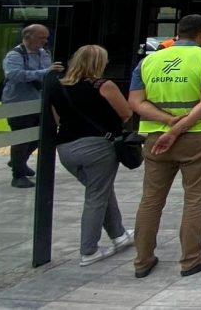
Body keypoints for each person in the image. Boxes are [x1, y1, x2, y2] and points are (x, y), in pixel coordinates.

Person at [129, 13, 201, 278]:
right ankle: (191, 259)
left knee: (150, 200)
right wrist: (177, 129)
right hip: (197, 138)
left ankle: (142, 260)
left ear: (178, 32)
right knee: (195, 198)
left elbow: (136, 102)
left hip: (154, 139)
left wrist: (167, 122)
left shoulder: (149, 60)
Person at [45, 45, 134, 266]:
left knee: (100, 191)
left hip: (66, 148)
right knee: (96, 196)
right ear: (99, 63)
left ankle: (119, 235)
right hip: (98, 147)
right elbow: (126, 113)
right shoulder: (103, 85)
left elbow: (56, 120)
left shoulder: (57, 87)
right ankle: (89, 250)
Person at [1, 24, 62, 188]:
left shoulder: (44, 53)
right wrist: (45, 72)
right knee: (21, 138)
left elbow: (47, 75)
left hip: (40, 102)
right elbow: (15, 75)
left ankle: (18, 161)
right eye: (41, 37)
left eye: (46, 37)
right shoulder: (14, 55)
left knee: (42, 135)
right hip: (19, 103)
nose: (45, 41)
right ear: (28, 37)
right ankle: (18, 175)